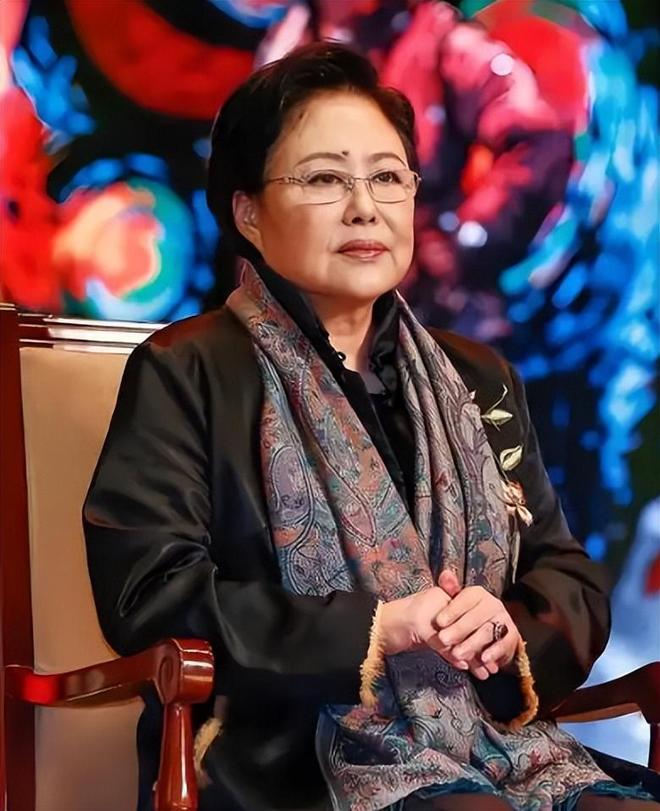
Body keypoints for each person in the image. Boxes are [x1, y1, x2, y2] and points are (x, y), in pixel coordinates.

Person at [83, 42, 657, 811]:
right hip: (281, 757)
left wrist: (508, 629)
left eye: (388, 177)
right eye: (325, 178)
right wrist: (373, 629)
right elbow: (150, 595)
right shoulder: (186, 371)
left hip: (498, 750)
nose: (365, 206)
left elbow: (567, 573)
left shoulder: (478, 377)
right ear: (248, 213)